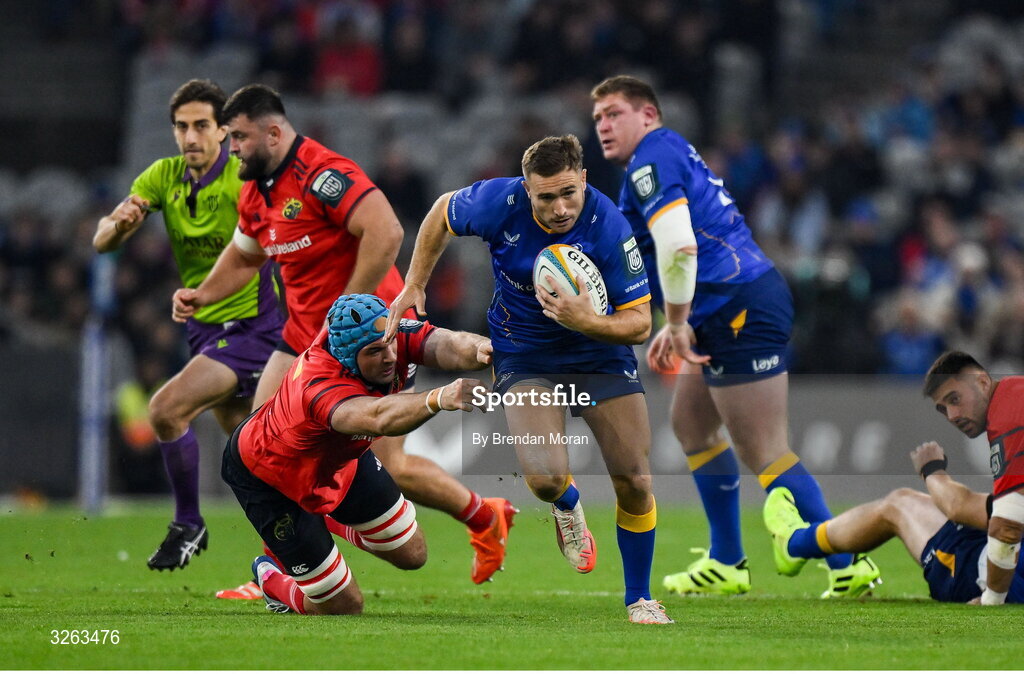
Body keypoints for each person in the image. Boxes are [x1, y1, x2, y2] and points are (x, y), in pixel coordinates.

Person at [171, 83, 514, 592]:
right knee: (265, 449)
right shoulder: (256, 189)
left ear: (272, 131)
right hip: (302, 339)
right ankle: (294, 560)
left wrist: (344, 313)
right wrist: (203, 294)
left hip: (364, 340)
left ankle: (484, 516)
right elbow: (244, 256)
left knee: (385, 465)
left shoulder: (321, 175)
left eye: (238, 136)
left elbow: (387, 233)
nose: (231, 148)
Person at [591, 75, 880, 598]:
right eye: (597, 118)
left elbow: (678, 246)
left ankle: (846, 561)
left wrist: (676, 322)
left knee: (766, 450)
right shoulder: (663, 153)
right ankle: (727, 561)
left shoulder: (651, 160)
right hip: (726, 304)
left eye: (614, 113)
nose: (604, 125)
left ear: (649, 115)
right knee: (692, 425)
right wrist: (675, 321)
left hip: (737, 304)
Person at [387, 134, 672, 624]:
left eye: (568, 193)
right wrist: (414, 282)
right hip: (524, 353)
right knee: (543, 480)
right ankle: (567, 502)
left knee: (635, 479)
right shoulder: (500, 202)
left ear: (583, 179)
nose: (560, 208)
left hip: (599, 354)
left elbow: (641, 324)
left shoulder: (610, 227)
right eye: (546, 197)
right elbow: (440, 212)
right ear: (526, 189)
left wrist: (588, 323)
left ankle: (639, 598)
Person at [93, 79, 285, 572]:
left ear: (223, 131)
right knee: (254, 460)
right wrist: (122, 223)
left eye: (202, 125)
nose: (191, 136)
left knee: (165, 410)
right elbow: (102, 242)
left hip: (254, 327)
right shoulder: (162, 177)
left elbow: (268, 244)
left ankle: (188, 523)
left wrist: (206, 292)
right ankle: (300, 554)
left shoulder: (245, 180)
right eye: (182, 127)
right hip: (205, 331)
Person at [224, 293, 496, 615]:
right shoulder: (318, 387)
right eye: (375, 352)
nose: (390, 357)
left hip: (340, 461)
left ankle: (325, 521)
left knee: (413, 554)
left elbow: (444, 344)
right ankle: (271, 580)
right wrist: (438, 397)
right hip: (272, 478)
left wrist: (482, 349)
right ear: (347, 358)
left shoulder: (381, 335)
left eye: (391, 343)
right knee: (344, 606)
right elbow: (378, 416)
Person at [764, 440, 1024, 603]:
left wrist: (932, 471)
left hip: (980, 572)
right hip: (999, 557)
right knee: (907, 502)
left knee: (899, 505)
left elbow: (963, 508)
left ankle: (796, 545)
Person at [920, 351, 1024, 604]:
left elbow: (1008, 524)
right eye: (943, 409)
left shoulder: (1010, 412)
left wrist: (991, 599)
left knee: (900, 505)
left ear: (982, 382)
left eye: (955, 399)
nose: (952, 415)